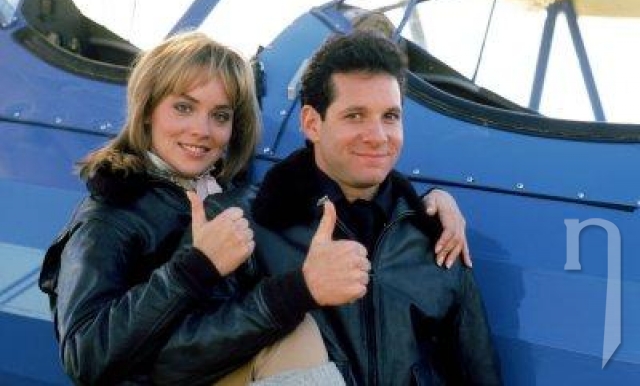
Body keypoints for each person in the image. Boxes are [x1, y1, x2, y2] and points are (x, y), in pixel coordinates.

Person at [38, 31, 468, 385]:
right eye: (184, 107)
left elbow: (337, 185)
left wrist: (423, 203)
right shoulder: (108, 215)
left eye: (220, 115)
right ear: (147, 111)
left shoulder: (231, 196)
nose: (202, 130)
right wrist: (197, 267)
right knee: (295, 335)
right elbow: (85, 357)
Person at [249, 31, 502, 385]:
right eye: (355, 115)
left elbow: (480, 373)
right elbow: (182, 356)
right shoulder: (249, 227)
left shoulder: (437, 235)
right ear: (311, 123)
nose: (378, 136)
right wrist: (295, 292)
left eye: (390, 116)